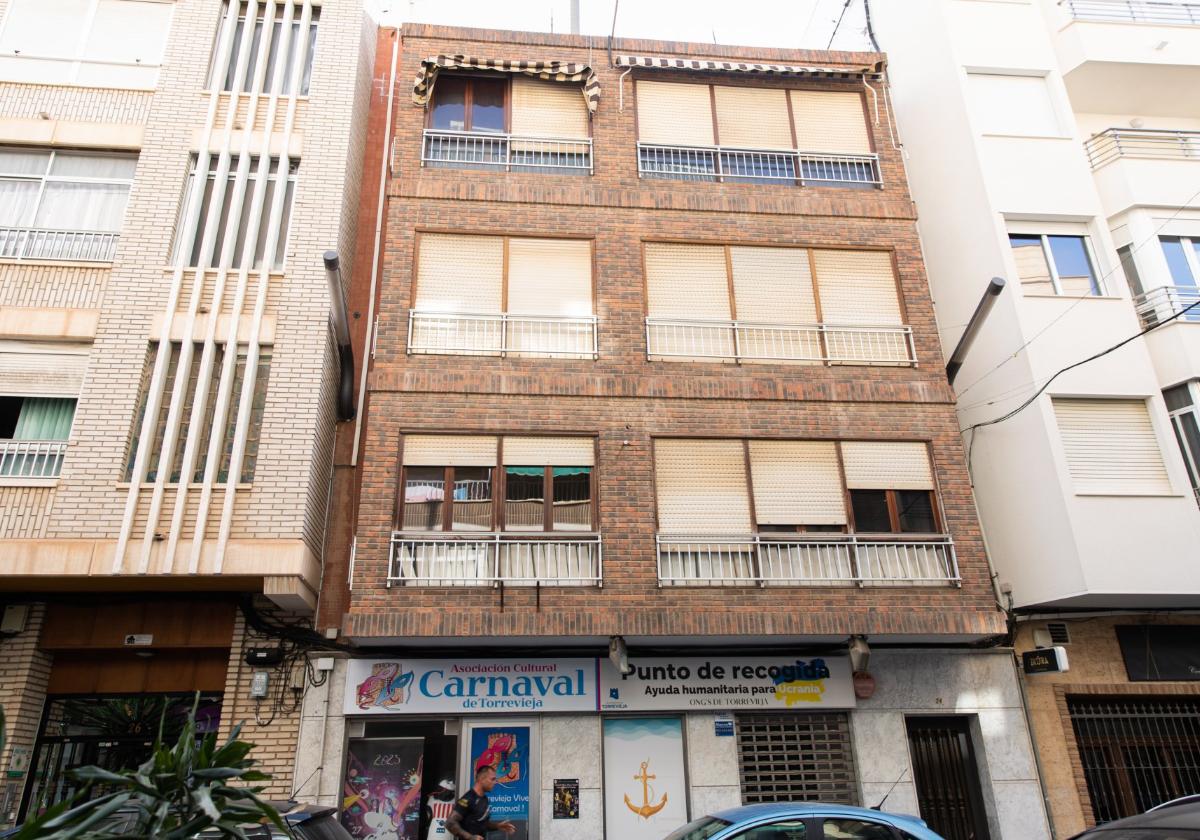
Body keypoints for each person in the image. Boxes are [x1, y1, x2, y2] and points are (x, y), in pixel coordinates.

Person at [445, 765, 516, 840]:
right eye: (492, 779)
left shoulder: (485, 799)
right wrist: (469, 837)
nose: (495, 782)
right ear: (481, 779)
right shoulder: (468, 798)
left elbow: (481, 824)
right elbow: (450, 823)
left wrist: (497, 826)